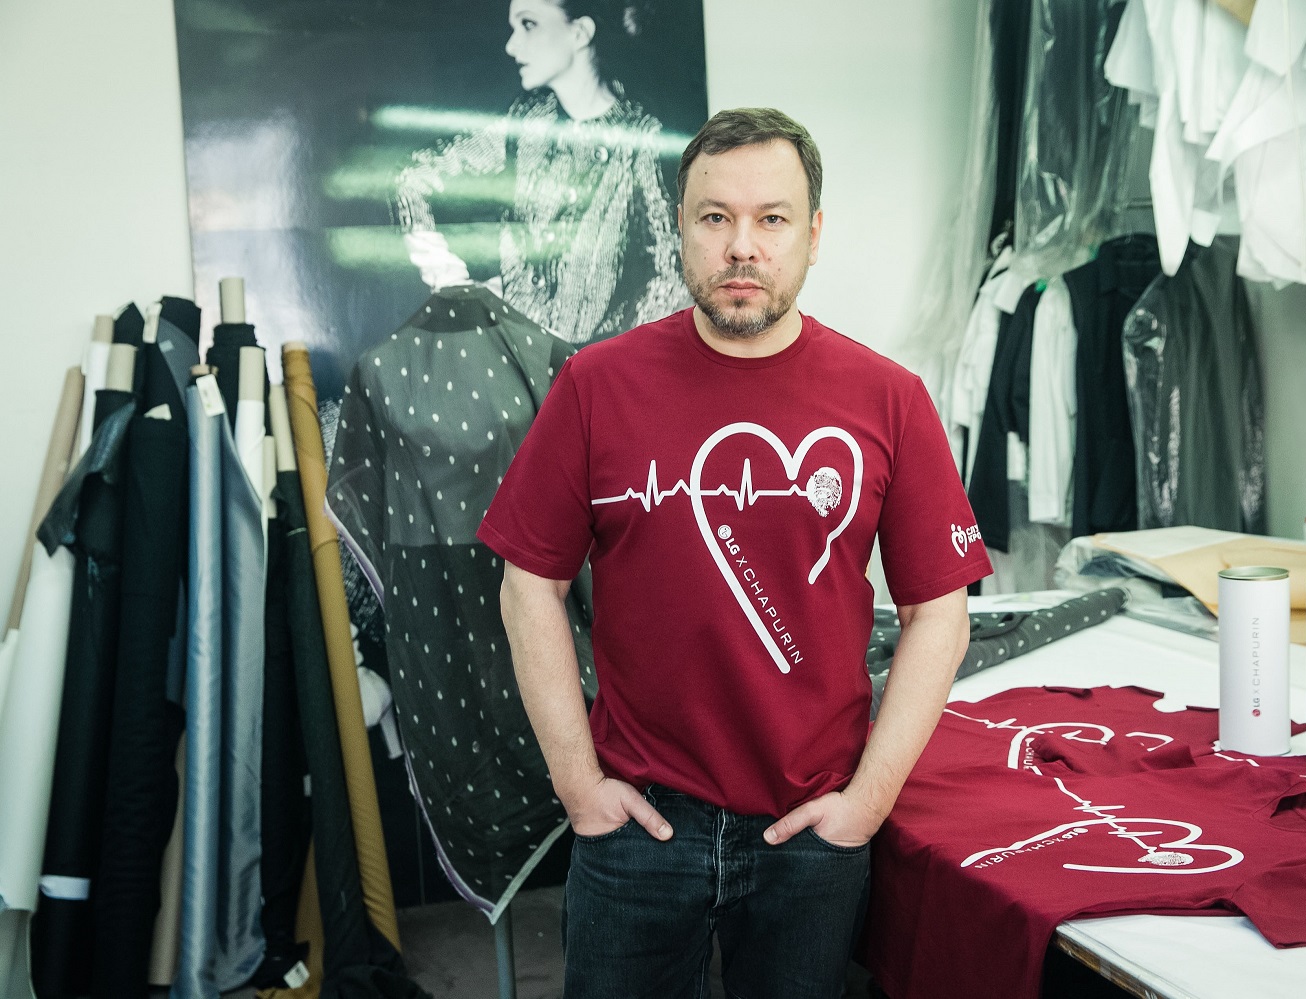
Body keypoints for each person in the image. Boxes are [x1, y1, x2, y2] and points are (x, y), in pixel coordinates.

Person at [478, 108, 991, 997]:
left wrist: (866, 804)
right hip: (638, 828)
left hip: (812, 830)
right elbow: (529, 585)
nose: (742, 246)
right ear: (680, 229)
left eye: (772, 218)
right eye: (714, 217)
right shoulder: (597, 385)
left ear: (814, 234)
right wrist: (578, 786)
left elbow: (939, 614)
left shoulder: (889, 399)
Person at [395, 0, 688, 345]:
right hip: (510, 355)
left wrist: (606, 345)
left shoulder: (641, 138)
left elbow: (675, 276)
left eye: (529, 24)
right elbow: (412, 178)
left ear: (580, 33)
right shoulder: (526, 121)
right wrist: (452, 280)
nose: (511, 45)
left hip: (592, 364)